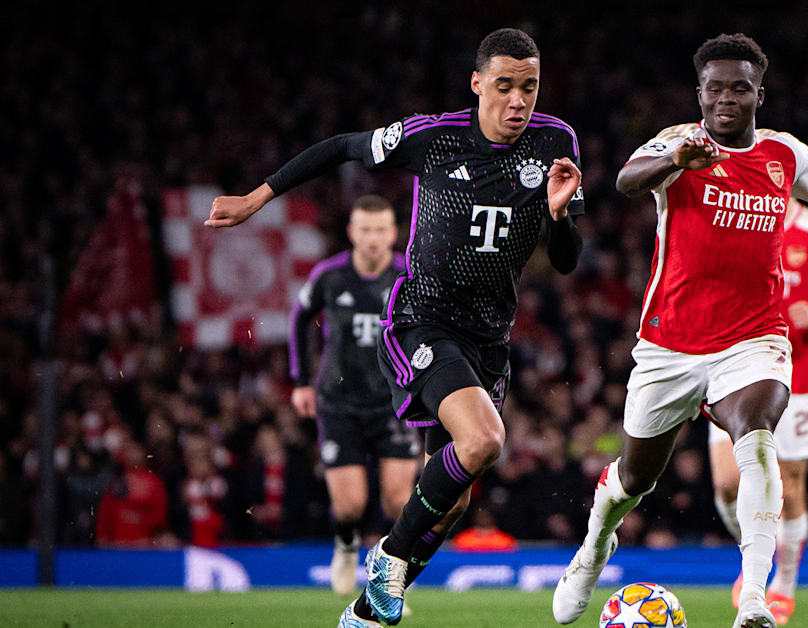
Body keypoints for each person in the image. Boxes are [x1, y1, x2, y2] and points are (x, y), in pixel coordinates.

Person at [205, 27, 584, 627]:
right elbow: (340, 147)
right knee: (484, 440)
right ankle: (388, 560)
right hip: (423, 321)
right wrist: (257, 199)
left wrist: (561, 215)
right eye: (506, 86)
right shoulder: (431, 138)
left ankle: (369, 608)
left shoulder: (555, 142)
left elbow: (565, 259)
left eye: (530, 87)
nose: (519, 101)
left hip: (491, 340)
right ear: (478, 82)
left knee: (453, 500)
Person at [553, 34, 808, 628]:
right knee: (634, 480)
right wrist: (675, 162)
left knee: (758, 434)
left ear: (759, 94)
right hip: (671, 344)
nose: (726, 99)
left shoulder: (786, 155)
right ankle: (592, 551)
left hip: (754, 338)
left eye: (740, 88)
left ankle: (757, 599)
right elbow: (626, 181)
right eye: (715, 89)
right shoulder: (678, 142)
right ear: (701, 94)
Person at [709, 198, 808, 625]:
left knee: (790, 488)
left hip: (801, 375)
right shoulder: (739, 219)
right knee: (726, 483)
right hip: (735, 368)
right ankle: (757, 558)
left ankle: (785, 585)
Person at [288, 195, 421, 596]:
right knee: (350, 507)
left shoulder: (410, 272)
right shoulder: (329, 276)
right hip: (339, 401)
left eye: (381, 230)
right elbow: (298, 321)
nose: (373, 238)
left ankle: (392, 580)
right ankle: (346, 546)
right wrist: (301, 381)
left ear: (393, 233)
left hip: (395, 402)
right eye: (365, 230)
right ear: (352, 232)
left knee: (400, 503)